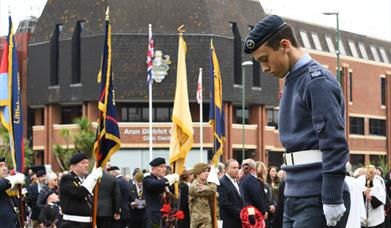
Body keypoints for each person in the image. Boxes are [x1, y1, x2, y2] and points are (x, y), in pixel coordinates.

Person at [244, 14, 350, 227]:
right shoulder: (294, 81)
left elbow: (335, 143)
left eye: (265, 59)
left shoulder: (316, 81)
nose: (264, 68)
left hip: (317, 196)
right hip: (295, 194)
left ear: (284, 45)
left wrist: (331, 197)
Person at [59, 153, 102, 228]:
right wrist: (93, 177)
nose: (86, 165)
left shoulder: (83, 180)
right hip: (73, 224)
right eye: (83, 163)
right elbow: (80, 192)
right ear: (73, 166)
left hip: (86, 223)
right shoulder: (67, 179)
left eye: (87, 163)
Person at [143, 157, 179, 228]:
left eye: (165, 167)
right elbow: (157, 184)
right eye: (161, 167)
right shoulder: (148, 179)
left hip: (166, 217)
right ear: (153, 168)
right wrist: (168, 179)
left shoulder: (163, 181)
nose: (164, 169)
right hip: (154, 218)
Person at [189, 162, 220, 228]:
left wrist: (210, 189)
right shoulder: (194, 186)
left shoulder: (207, 184)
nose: (207, 173)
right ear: (197, 173)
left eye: (207, 171)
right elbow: (212, 191)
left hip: (210, 220)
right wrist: (213, 178)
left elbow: (216, 194)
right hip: (200, 223)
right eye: (204, 171)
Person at [0, 156, 25, 228]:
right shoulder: (7, 183)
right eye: (0, 166)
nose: (4, 168)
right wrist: (10, 180)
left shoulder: (9, 187)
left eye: (5, 165)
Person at [218, 159, 243, 228]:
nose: (237, 170)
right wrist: (241, 213)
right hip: (229, 221)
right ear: (226, 169)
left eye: (238, 167)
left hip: (239, 221)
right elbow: (224, 203)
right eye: (234, 168)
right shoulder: (222, 182)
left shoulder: (237, 182)